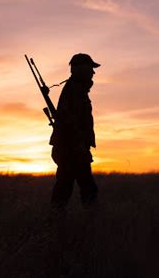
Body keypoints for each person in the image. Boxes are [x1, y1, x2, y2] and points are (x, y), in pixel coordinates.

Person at [49, 53, 100, 210]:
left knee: (65, 189)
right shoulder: (75, 91)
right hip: (72, 149)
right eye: (90, 68)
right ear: (81, 69)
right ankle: (89, 226)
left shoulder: (76, 90)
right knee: (86, 189)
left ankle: (56, 224)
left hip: (71, 148)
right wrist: (80, 147)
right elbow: (71, 123)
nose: (93, 72)